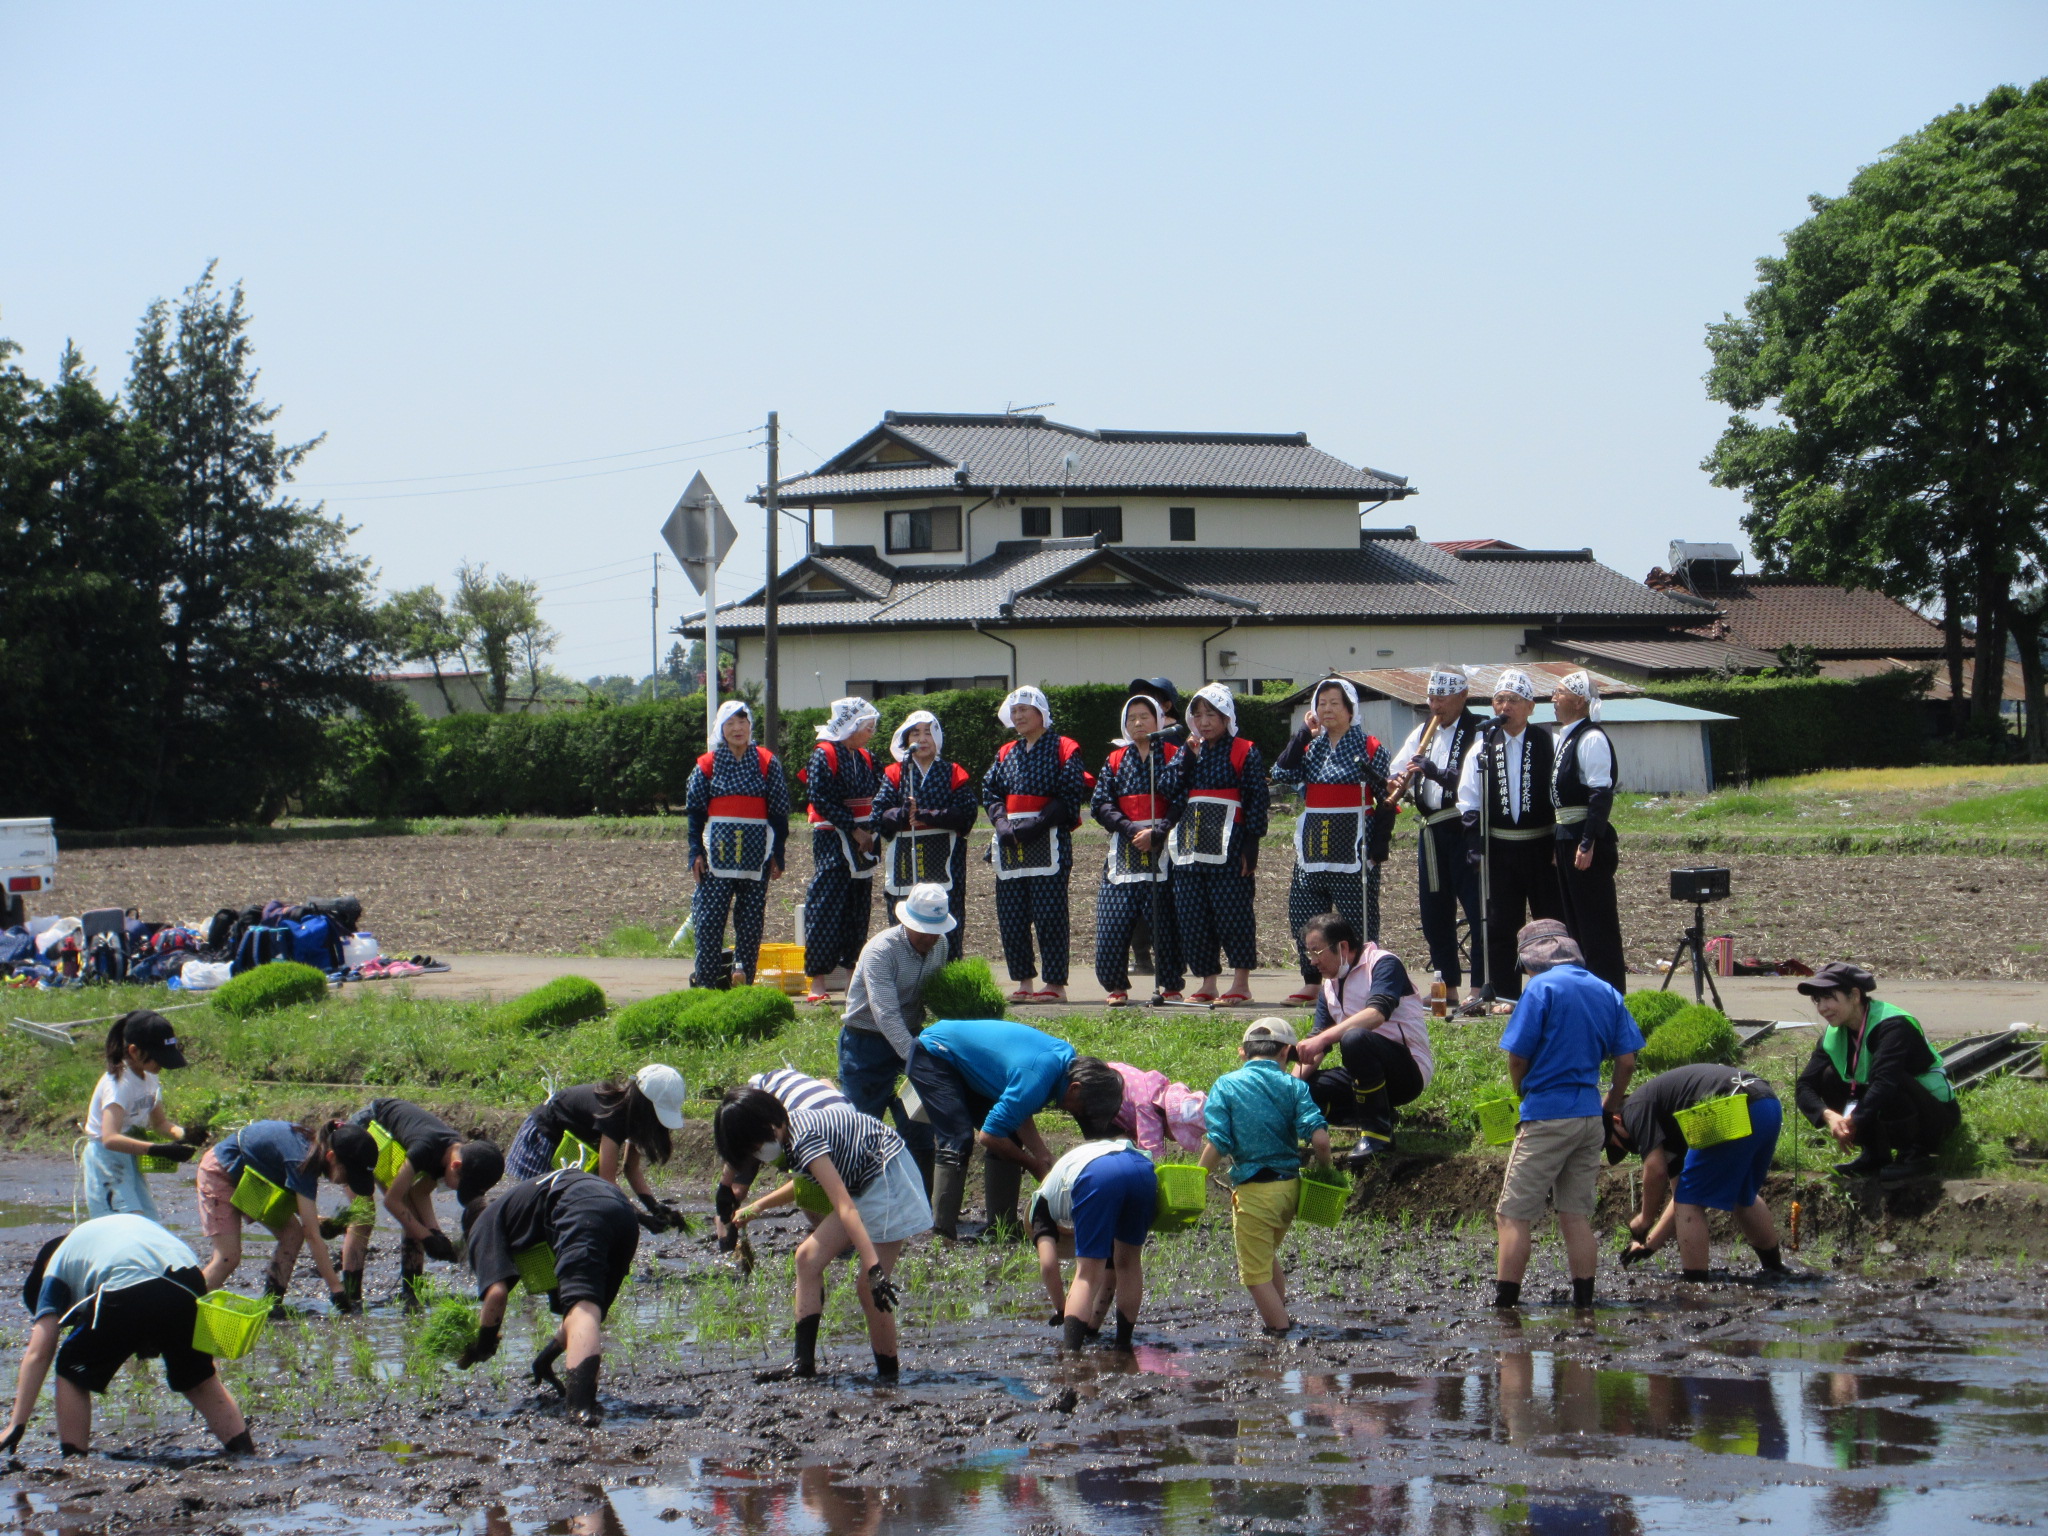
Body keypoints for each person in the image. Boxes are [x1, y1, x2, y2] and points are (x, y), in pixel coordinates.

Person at [716, 1089, 931, 1382]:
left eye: (756, 1144)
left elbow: (843, 1204)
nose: (758, 1152)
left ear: (771, 1123)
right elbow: (807, 1184)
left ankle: (888, 1375)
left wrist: (874, 1269)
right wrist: (757, 1206)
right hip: (863, 1183)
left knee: (869, 1289)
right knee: (807, 1258)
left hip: (888, 1177)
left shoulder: (803, 1140)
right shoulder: (791, 1135)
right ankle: (802, 1365)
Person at [2, 1215, 253, 1458]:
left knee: (71, 1368)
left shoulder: (54, 1269)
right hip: (189, 1277)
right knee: (197, 1378)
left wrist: (17, 1423)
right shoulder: (96, 1240)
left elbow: (39, 1351)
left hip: (129, 1280)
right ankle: (244, 1452)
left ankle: (74, 1461)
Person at [1493, 920, 1641, 1309]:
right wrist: (1612, 1101)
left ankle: (1505, 1306)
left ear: (1531, 959)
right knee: (1575, 1215)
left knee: (1512, 1214)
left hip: (1546, 1115)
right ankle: (1584, 1301)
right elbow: (1626, 1060)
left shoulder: (1541, 988)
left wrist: (1521, 1090)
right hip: (1590, 1117)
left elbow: (1517, 1057)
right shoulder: (1606, 990)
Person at [456, 1169, 659, 1424]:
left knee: (583, 1309)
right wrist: (547, 1356)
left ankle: (580, 1409)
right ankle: (588, 1401)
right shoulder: (516, 1209)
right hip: (621, 1212)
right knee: (587, 1311)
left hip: (579, 1208)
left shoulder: (483, 1224)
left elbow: (496, 1294)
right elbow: (580, 1321)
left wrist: (482, 1346)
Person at [905, 1018, 1125, 1239]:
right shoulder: (1038, 1075)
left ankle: (1002, 1228)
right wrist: (1033, 1165)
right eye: (1081, 1110)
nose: (1076, 1115)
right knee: (958, 1137)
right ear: (1075, 1089)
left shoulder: (1065, 1063)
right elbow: (989, 1136)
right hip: (934, 1053)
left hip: (966, 1064)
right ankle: (941, 1233)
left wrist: (1043, 1155)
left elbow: (1019, 1107)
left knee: (1008, 1133)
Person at [1198, 1018, 1332, 1335]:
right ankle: (1280, 1314)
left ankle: (1280, 1332)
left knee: (1255, 1275)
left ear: (1242, 1053)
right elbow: (1322, 1141)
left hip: (1254, 1193)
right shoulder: (1295, 1086)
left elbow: (1219, 1141)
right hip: (1289, 1190)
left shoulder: (1227, 1085)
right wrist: (1326, 1175)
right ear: (1286, 1052)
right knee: (1266, 1258)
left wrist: (1197, 1176)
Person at [1271, 677, 1397, 1004]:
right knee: (1303, 913)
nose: (1326, 709)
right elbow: (1281, 773)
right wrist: (1302, 734)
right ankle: (1313, 980)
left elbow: (1387, 798)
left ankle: (1362, 979)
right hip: (1313, 845)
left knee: (1358, 919)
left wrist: (1379, 847)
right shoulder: (1311, 747)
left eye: (1334, 703)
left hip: (1355, 844)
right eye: (1321, 703)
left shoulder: (1370, 746)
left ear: (1350, 709)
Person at [1606, 1064, 1787, 1279]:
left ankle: (1696, 1287)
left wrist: (1644, 1220)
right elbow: (1680, 1195)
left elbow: (1655, 1171)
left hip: (1734, 1105)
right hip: (1766, 1105)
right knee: (1741, 1193)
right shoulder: (1669, 1123)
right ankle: (1776, 1271)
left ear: (1616, 1121)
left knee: (1691, 1201)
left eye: (1616, 1144)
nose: (1629, 1149)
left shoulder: (1634, 1109)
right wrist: (1649, 1244)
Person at [1793, 961, 1959, 1182]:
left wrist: (1854, 1120)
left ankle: (1914, 1154)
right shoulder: (1834, 1034)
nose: (1822, 1008)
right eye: (1818, 1000)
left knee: (1891, 1080)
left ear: (1854, 995)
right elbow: (1804, 1085)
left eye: (1829, 997)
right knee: (1830, 1077)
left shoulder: (1893, 1025)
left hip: (1933, 1116)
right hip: (1885, 1108)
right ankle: (1874, 1154)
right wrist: (1829, 1116)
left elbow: (1884, 1083)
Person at [1290, 913, 1434, 1167]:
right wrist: (1287, 1089)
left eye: (1317, 952)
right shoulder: (1329, 985)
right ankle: (1381, 1113)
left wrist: (1322, 1038)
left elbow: (1377, 1014)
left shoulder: (1383, 964)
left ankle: (1377, 1134)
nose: (1312, 961)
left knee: (1355, 1038)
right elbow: (1318, 1042)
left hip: (1407, 1070)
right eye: (1308, 953)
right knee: (1305, 1092)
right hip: (1364, 1073)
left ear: (1343, 946)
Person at [837, 882, 955, 1188]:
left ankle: (919, 1203)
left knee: (919, 1125)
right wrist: (918, 1059)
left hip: (912, 1039)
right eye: (923, 930)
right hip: (866, 1043)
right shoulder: (881, 951)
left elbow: (937, 995)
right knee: (861, 1127)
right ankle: (852, 1204)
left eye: (935, 930)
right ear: (906, 922)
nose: (929, 937)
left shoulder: (940, 945)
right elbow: (885, 1013)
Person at [195, 1118, 378, 1309]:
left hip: (253, 1178)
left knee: (292, 1234)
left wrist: (319, 1223)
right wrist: (336, 1289)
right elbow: (312, 1236)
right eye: (349, 1175)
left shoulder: (314, 1151)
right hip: (221, 1172)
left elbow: (304, 1215)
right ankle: (185, 1306)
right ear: (331, 1157)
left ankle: (271, 1304)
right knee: (227, 1257)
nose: (346, 1182)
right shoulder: (303, 1160)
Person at [1458, 669, 1563, 1001]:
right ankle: (1505, 994)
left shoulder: (1550, 740)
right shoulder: (1483, 746)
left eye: (1514, 700)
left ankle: (1555, 991)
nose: (1505, 706)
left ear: (1531, 707)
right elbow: (1468, 799)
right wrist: (1475, 844)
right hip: (1500, 849)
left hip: (1542, 846)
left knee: (1550, 922)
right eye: (1500, 700)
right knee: (1501, 925)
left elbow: (1563, 796)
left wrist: (1561, 840)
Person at [981, 686, 1091, 1003]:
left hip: (1049, 840)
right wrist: (1001, 822)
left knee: (1049, 915)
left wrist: (1037, 824)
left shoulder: (1064, 748)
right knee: (1012, 916)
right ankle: (1024, 981)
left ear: (1041, 712)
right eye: (1014, 711)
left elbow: (1070, 793)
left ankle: (1055, 984)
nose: (1018, 716)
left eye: (1024, 710)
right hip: (1011, 842)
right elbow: (991, 792)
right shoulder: (1005, 753)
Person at [341, 1098, 504, 1310]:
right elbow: (392, 1201)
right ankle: (350, 1300)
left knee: (413, 1218)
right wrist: (426, 1238)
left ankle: (411, 1293)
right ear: (456, 1166)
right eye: (459, 1186)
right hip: (364, 1130)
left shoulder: (452, 1155)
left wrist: (436, 1233)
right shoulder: (425, 1148)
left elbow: (419, 1193)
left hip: (392, 1143)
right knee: (364, 1216)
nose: (455, 1190)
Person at [1385, 668, 1488, 1005]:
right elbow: (1397, 769)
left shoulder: (1479, 730)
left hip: (1466, 828)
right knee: (1434, 911)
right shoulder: (1422, 731)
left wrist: (1434, 771)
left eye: (1442, 698)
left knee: (1476, 907)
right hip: (1432, 830)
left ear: (1463, 696)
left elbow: (1473, 780)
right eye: (1431, 698)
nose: (1435, 705)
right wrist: (1398, 782)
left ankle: (1480, 986)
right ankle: (1448, 987)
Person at [1167, 683, 1269, 1006]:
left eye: (1211, 714)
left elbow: (1256, 798)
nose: (1204, 721)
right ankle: (1207, 982)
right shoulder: (1188, 751)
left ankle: (1240, 983)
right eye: (1197, 715)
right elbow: (1169, 788)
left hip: (1230, 844)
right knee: (1192, 915)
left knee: (1233, 913)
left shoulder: (1244, 750)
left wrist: (1251, 844)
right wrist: (1186, 757)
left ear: (1226, 717)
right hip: (1189, 845)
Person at [503, 1065, 689, 1233]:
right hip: (543, 1137)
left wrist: (655, 1208)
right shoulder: (613, 1115)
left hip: (568, 1146)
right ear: (645, 1106)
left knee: (560, 1210)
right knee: (538, 1209)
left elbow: (630, 1169)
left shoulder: (635, 1117)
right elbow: (607, 1182)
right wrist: (641, 1218)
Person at [684, 700, 790, 990]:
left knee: (751, 922)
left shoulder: (767, 762)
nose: (737, 728)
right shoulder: (707, 765)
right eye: (730, 723)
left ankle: (743, 979)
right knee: (709, 922)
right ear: (721, 728)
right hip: (715, 859)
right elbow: (694, 812)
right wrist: (695, 851)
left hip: (756, 858)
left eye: (742, 721)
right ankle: (706, 983)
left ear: (750, 725)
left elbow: (779, 813)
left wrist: (778, 853)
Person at [1092, 693, 1184, 1005]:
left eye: (1144, 716)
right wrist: (1133, 830)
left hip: (1165, 847)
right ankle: (1115, 986)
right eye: (1132, 717)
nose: (1138, 722)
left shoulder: (1174, 753)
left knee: (1166, 922)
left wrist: (1158, 831)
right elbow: (1101, 804)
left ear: (1158, 719)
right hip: (1125, 847)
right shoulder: (1115, 760)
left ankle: (1170, 984)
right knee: (1112, 921)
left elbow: (1182, 799)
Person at [1030, 1134, 1157, 1352]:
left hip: (1097, 1175)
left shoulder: (1039, 1206)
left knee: (1087, 1274)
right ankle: (1123, 1345)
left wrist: (1062, 1309)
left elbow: (1049, 1264)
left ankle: (1071, 1355)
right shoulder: (1061, 1179)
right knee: (1128, 1263)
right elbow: (1111, 1270)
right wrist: (1092, 1328)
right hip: (1141, 1168)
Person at [873, 710, 977, 959]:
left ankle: (947, 973)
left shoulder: (953, 771)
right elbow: (878, 814)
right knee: (904, 912)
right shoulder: (895, 773)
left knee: (946, 909)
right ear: (906, 740)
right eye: (915, 733)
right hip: (905, 857)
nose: (922, 738)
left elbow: (966, 813)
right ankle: (903, 972)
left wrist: (926, 815)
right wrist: (901, 813)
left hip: (944, 856)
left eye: (928, 732)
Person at [713, 1066, 850, 1251]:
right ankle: (725, 1238)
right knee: (736, 1192)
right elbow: (738, 1147)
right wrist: (725, 1187)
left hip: (803, 1105)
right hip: (768, 1093)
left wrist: (756, 1207)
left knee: (812, 1194)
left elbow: (803, 1184)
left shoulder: (808, 1138)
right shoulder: (770, 1122)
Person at [801, 697, 882, 1003]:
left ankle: (852, 979)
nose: (870, 732)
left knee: (858, 908)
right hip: (833, 838)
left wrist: (871, 830)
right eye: (867, 726)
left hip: (866, 840)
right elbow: (819, 798)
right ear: (850, 725)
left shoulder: (866, 756)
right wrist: (854, 828)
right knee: (825, 906)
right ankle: (818, 982)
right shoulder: (825, 754)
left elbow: (881, 790)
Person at [1550, 671, 1625, 993]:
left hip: (1584, 835)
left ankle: (1609, 991)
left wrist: (1588, 841)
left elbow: (1600, 793)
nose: (1553, 698)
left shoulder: (1590, 737)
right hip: (1566, 833)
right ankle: (1586, 991)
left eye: (1560, 692)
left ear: (1579, 701)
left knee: (1596, 921)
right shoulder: (1566, 736)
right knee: (1575, 920)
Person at [81, 1010, 195, 1221]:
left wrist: (186, 1135)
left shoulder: (150, 1078)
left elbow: (160, 1123)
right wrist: (157, 1150)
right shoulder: (118, 1084)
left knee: (148, 1221)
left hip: (131, 1158)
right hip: (106, 1161)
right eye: (158, 1058)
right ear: (134, 1051)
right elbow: (110, 1138)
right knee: (126, 1222)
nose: (161, 1065)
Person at [1122, 676, 1182, 978]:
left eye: (1151, 701)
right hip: (1133, 835)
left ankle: (1171, 963)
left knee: (1167, 901)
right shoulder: (1127, 749)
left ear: (1167, 705)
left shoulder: (1178, 741)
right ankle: (1142, 956)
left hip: (1169, 835)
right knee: (1134, 898)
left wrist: (1161, 829)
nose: (1139, 718)